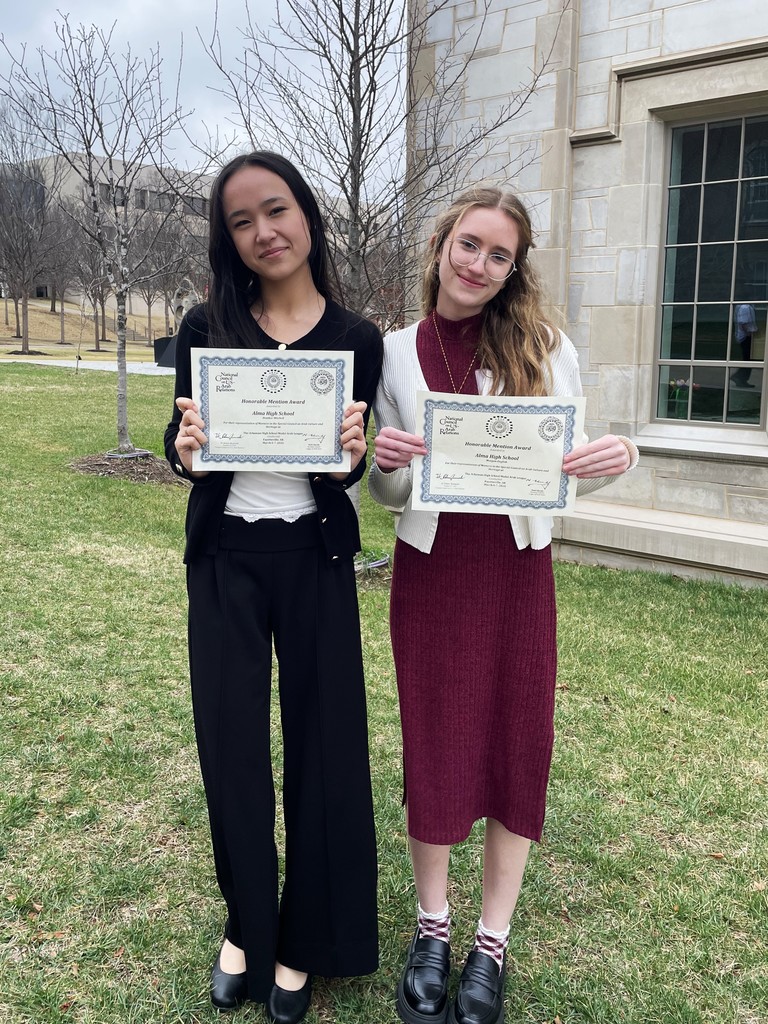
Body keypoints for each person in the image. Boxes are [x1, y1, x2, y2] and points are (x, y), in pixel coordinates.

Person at [368, 187, 638, 1024]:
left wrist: (605, 461)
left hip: (519, 574)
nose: (478, 264)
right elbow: (385, 490)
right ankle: (432, 926)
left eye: (499, 255)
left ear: (514, 269)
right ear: (441, 241)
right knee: (438, 742)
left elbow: (564, 479)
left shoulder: (546, 347)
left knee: (517, 745)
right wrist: (389, 461)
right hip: (435, 573)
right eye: (469, 243)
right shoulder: (394, 352)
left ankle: (491, 941)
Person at [164, 151, 382, 1023]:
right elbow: (187, 448)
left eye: (276, 209)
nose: (264, 232)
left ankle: (305, 940)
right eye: (242, 222)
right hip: (225, 564)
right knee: (233, 753)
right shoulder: (204, 325)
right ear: (229, 240)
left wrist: (352, 459)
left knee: (326, 750)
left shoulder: (357, 339)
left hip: (315, 563)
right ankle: (248, 926)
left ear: (308, 216)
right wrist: (183, 453)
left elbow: (347, 470)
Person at [731, 303, 757, 386]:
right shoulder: (745, 307)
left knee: (748, 358)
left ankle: (741, 378)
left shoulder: (747, 306)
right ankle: (739, 377)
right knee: (749, 359)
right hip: (746, 337)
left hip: (746, 336)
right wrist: (749, 334)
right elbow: (743, 323)